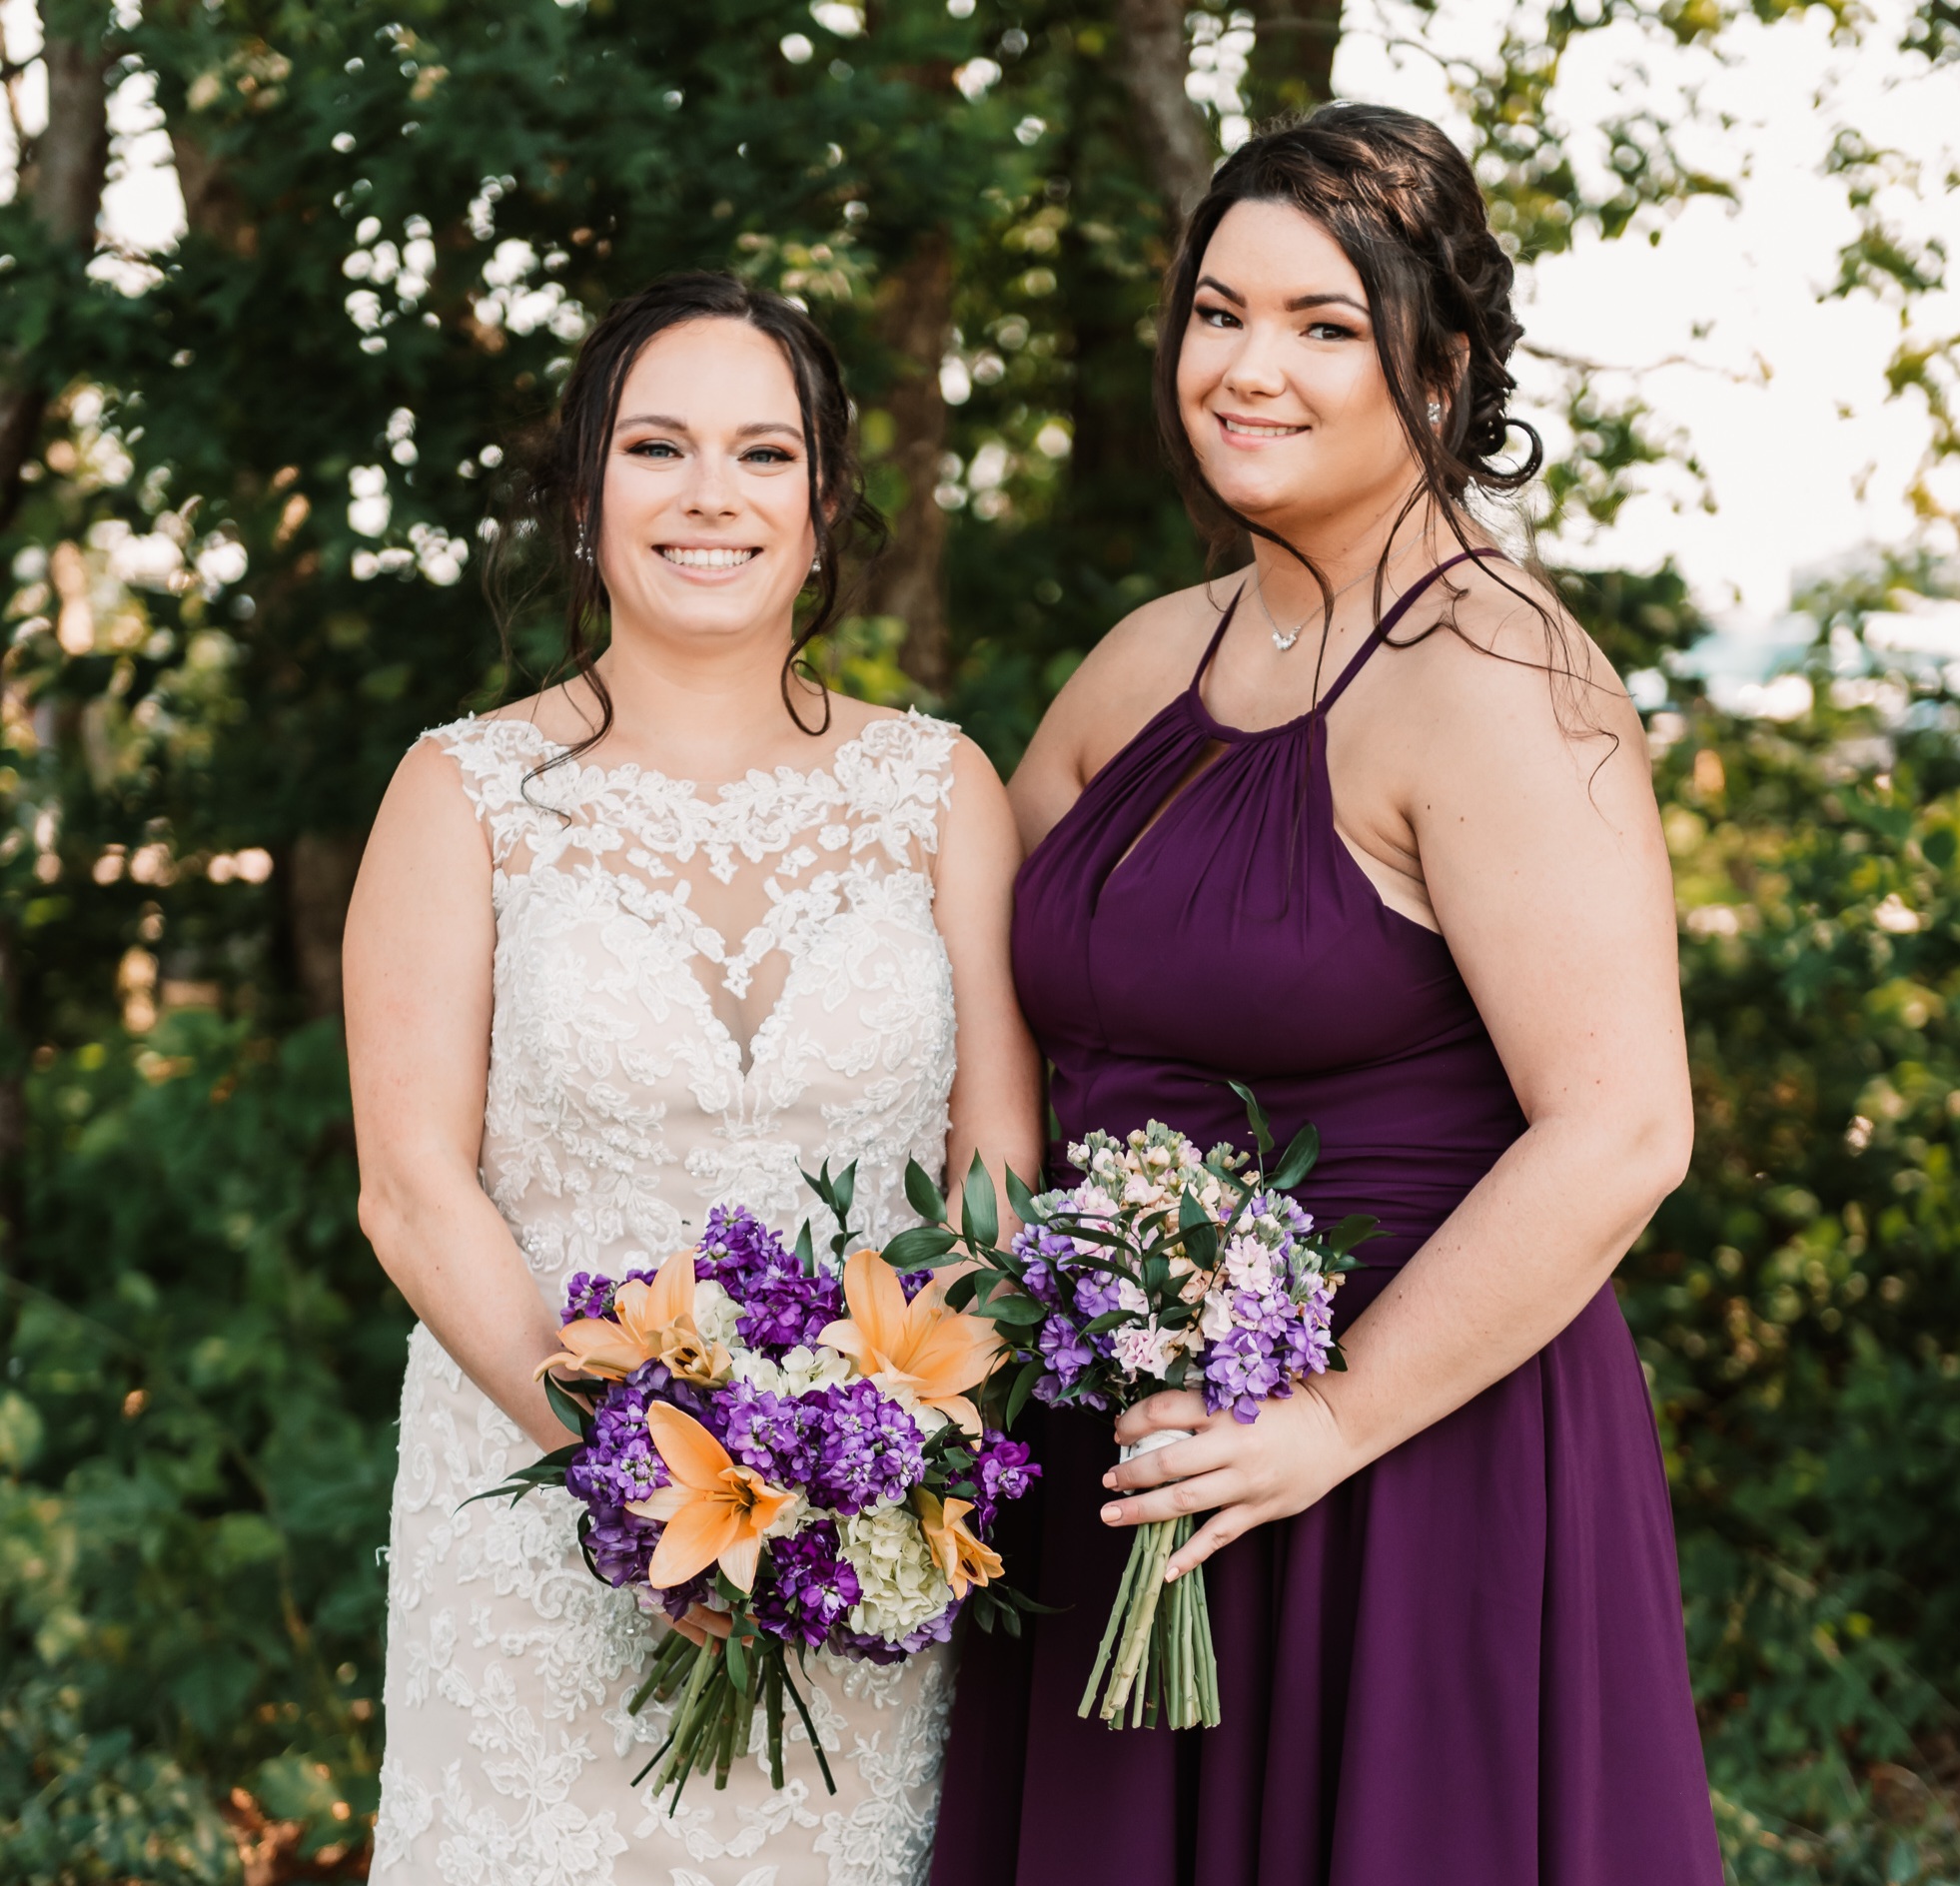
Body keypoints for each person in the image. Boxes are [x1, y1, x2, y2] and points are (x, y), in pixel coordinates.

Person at [932, 103, 1722, 1885]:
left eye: (1321, 325)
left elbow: (1623, 1131)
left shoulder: (1499, 678)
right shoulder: (1152, 656)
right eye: (1218, 313)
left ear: (1434, 370)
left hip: (1403, 1463)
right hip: (1125, 1443)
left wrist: (1330, 1421)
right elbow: (989, 990)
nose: (1246, 369)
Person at [345, 273, 1040, 1886]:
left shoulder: (939, 789)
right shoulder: (465, 792)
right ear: (585, 494)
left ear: (824, 507)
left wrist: (877, 1461)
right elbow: (410, 1187)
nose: (711, 496)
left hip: (855, 1553)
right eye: (658, 447)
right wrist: (635, 1477)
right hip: (536, 1530)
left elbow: (995, 1167)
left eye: (763, 454)